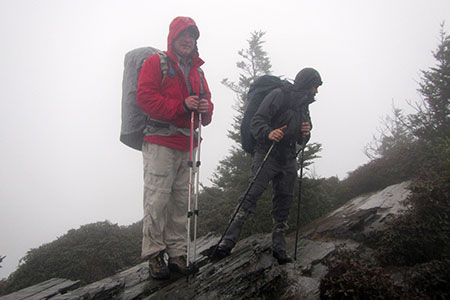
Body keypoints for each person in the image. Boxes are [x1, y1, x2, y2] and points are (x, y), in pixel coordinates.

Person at [215, 68, 322, 264]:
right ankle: (226, 243)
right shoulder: (278, 95)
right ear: (307, 84)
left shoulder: (303, 105)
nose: (316, 91)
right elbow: (257, 121)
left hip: (288, 156)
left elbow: (301, 136)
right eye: (315, 86)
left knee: (285, 201)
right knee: (251, 196)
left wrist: (305, 132)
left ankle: (279, 249)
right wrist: (269, 133)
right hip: (267, 152)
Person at [136, 16, 213, 279]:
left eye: (192, 36)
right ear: (173, 37)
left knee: (181, 199)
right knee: (157, 199)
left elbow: (207, 105)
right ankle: (155, 254)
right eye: (183, 35)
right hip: (159, 141)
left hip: (186, 143)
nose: (188, 40)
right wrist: (180, 106)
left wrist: (205, 109)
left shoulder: (198, 71)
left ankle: (177, 253)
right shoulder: (156, 63)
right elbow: (145, 98)